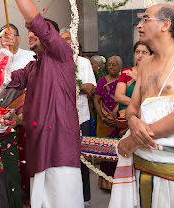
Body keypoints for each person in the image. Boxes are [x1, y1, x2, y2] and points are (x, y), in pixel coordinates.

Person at [0, 0, 83, 208]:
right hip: (37, 149)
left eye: (38, 33)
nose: (31, 34)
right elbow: (6, 82)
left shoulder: (61, 56)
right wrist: (5, 51)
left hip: (59, 150)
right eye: (29, 33)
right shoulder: (32, 67)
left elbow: (36, 22)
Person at [113, 4, 174, 208]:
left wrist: (134, 141)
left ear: (166, 24)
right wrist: (133, 121)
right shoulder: (145, 63)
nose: (139, 25)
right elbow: (132, 107)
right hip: (144, 158)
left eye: (145, 19)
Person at [0, 23, 35, 208]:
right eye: (4, 35)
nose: (7, 38)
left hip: (25, 118)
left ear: (19, 38)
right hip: (0, 123)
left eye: (11, 35)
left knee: (25, 165)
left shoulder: (30, 57)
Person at [60, 28, 96, 207]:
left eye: (69, 39)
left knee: (82, 161)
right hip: (60, 120)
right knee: (63, 161)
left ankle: (85, 198)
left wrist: (65, 84)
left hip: (81, 118)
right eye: (63, 39)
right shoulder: (55, 62)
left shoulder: (83, 63)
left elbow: (89, 88)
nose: (67, 42)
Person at [93, 55, 122, 190]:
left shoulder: (123, 81)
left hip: (119, 122)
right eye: (109, 64)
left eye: (114, 64)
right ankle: (106, 183)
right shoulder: (102, 81)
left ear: (120, 67)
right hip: (103, 121)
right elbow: (96, 99)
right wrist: (102, 116)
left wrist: (115, 116)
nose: (111, 67)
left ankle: (118, 184)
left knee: (119, 153)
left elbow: (125, 99)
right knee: (106, 152)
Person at [114, 42, 152, 119]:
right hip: (127, 116)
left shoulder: (155, 74)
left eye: (144, 52)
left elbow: (154, 96)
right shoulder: (127, 72)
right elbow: (118, 96)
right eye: (137, 52)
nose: (140, 55)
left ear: (151, 55)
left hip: (148, 116)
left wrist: (138, 80)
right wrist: (138, 106)